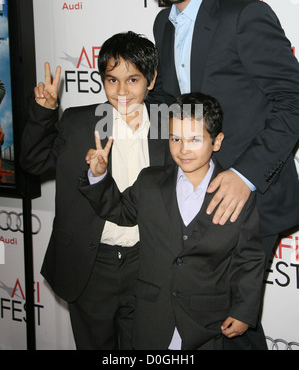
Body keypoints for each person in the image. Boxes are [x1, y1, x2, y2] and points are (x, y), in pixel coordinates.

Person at [139, 0, 299, 285]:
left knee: (234, 327)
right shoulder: (164, 23)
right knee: (206, 324)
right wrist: (134, 112)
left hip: (250, 196)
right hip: (196, 192)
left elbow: (293, 100)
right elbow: (169, 99)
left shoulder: (244, 15)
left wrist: (246, 176)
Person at [20, 31, 172, 350]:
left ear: (152, 79)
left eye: (133, 79)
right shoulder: (79, 123)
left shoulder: (168, 122)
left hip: (145, 263)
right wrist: (44, 112)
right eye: (112, 80)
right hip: (90, 266)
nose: (122, 91)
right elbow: (33, 162)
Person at [79, 92, 266, 350]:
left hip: (208, 326)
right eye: (175, 138)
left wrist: (244, 311)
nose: (183, 148)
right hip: (153, 321)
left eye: (194, 139)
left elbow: (249, 257)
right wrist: (98, 176)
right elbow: (120, 211)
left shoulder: (235, 193)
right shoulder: (150, 182)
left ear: (217, 141)